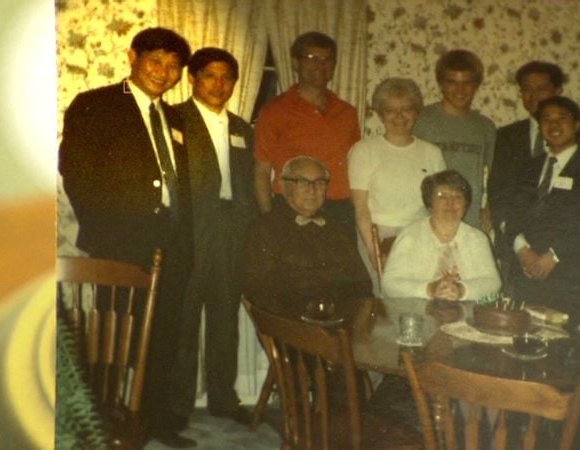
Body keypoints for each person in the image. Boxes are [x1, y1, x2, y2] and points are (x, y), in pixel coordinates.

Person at [58, 28, 196, 447]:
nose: (164, 72)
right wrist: (105, 234)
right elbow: (76, 173)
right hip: (119, 243)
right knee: (113, 337)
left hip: (171, 244)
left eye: (173, 67)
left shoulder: (174, 118)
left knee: (164, 335)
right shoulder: (95, 105)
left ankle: (154, 421)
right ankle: (98, 422)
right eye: (156, 61)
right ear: (133, 56)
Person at [169, 48, 256, 427]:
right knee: (183, 321)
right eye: (210, 76)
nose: (219, 85)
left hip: (230, 234)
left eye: (227, 78)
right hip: (189, 234)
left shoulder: (242, 128)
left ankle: (223, 399)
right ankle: (176, 406)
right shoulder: (174, 119)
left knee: (225, 320)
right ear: (192, 78)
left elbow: (249, 186)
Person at [487, 61, 580, 295]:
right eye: (527, 89)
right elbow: (500, 196)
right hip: (517, 255)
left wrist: (553, 254)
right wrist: (522, 249)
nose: (534, 95)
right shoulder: (507, 136)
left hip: (565, 261)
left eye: (542, 88)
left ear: (558, 90)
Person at [505, 96, 580, 327]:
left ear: (577, 125)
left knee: (566, 349)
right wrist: (522, 250)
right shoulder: (527, 167)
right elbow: (512, 212)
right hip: (524, 275)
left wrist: (554, 256)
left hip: (569, 277)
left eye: (562, 119)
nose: (554, 125)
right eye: (547, 119)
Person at [254, 31, 360, 236]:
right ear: (295, 63)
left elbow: (356, 165)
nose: (320, 65)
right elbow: (262, 171)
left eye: (327, 60)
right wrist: (269, 220)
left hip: (338, 210)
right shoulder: (275, 110)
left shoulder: (347, 112)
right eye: (312, 58)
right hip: (292, 207)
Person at [348, 77, 446, 294]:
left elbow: (438, 205)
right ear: (381, 113)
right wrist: (373, 252)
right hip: (377, 236)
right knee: (385, 299)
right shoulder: (364, 150)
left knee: (419, 295)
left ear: (416, 112)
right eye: (390, 110)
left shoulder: (432, 153)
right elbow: (361, 207)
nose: (399, 116)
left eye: (407, 109)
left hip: (420, 236)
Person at [242, 156, 371, 309]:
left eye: (320, 183)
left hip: (340, 318)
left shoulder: (336, 227)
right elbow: (258, 290)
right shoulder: (265, 229)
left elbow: (362, 282)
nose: (312, 190)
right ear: (284, 186)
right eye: (302, 182)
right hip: (292, 321)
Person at [382, 170, 500, 301]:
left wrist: (461, 290)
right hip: (417, 313)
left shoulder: (477, 238)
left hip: (465, 316)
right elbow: (390, 284)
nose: (451, 203)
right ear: (429, 204)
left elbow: (493, 283)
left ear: (465, 205)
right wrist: (430, 289)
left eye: (458, 196)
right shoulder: (411, 236)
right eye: (442, 196)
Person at [413, 50, 496, 232]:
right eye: (452, 82)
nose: (460, 90)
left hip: (468, 222)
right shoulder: (420, 120)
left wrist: (489, 208)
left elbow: (496, 175)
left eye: (467, 83)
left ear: (476, 85)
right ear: (441, 84)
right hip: (425, 222)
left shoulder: (485, 127)